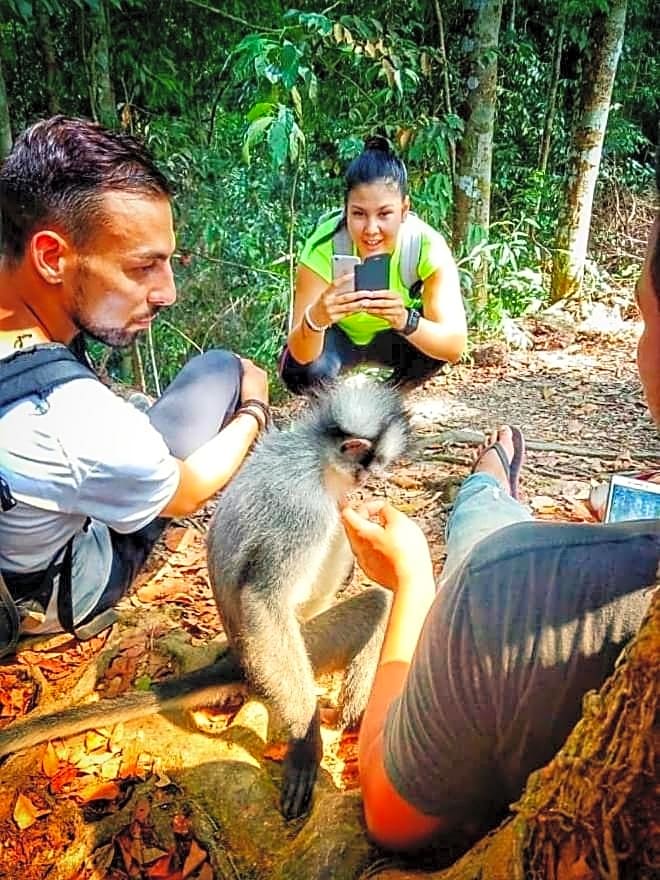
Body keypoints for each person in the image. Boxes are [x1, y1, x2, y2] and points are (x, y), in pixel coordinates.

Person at [340, 201, 660, 850]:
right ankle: (495, 473)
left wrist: (411, 582)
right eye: (359, 214)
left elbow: (388, 815)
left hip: (498, 599)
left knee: (484, 530)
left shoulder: (501, 591)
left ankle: (493, 470)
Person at [0, 116, 269, 648]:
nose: (167, 291)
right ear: (51, 256)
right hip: (48, 590)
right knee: (222, 370)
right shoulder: (74, 419)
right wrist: (253, 410)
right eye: (143, 267)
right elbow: (188, 492)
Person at [280, 136, 467, 393]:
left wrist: (404, 319)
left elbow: (454, 346)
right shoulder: (322, 247)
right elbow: (301, 355)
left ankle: (388, 398)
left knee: (433, 347)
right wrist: (317, 318)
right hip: (338, 339)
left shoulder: (426, 246)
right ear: (345, 210)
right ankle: (329, 408)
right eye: (358, 214)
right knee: (301, 370)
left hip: (396, 337)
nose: (371, 230)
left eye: (384, 214)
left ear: (404, 209)